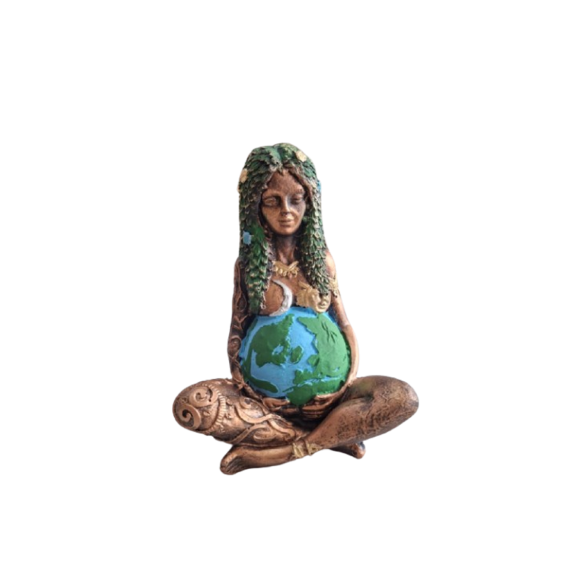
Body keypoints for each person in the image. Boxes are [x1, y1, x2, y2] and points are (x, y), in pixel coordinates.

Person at [173, 143, 418, 474]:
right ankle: (335, 435)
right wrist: (248, 389)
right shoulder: (247, 267)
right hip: (266, 405)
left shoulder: (322, 262)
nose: (286, 210)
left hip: (330, 401)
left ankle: (282, 449)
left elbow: (344, 324)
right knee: (192, 404)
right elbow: (236, 333)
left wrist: (345, 385)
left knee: (401, 397)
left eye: (296, 199)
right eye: (272, 201)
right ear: (255, 208)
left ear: (310, 203)